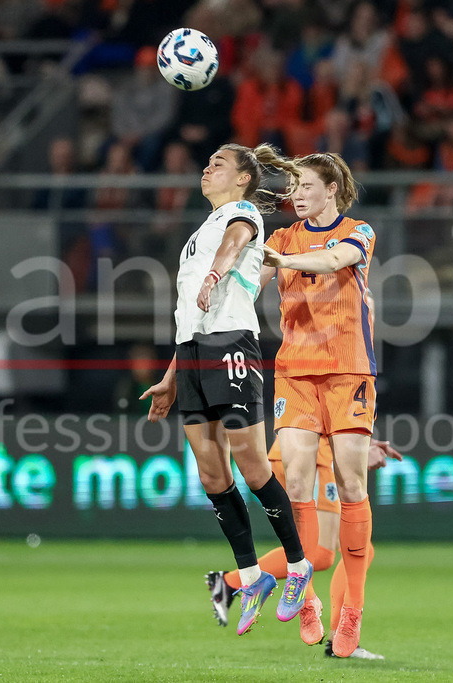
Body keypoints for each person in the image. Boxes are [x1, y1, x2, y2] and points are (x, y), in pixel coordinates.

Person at [140, 143, 313, 637]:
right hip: (193, 351)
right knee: (211, 474)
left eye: (218, 162)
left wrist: (217, 272)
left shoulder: (239, 214)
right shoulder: (198, 232)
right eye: (208, 160)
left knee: (251, 462)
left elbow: (236, 241)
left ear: (242, 180)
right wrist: (172, 379)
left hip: (231, 343)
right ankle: (254, 575)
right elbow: (189, 313)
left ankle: (298, 567)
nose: (207, 166)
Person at [259, 151, 377, 658]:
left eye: (306, 185)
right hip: (295, 373)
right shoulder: (278, 238)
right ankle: (305, 599)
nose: (298, 194)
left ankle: (352, 611)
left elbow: (333, 260)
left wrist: (280, 263)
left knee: (351, 481)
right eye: (294, 187)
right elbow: (253, 284)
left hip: (349, 370)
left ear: (332, 189)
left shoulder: (359, 231)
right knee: (298, 483)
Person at [206, 435, 401, 660]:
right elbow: (327, 410)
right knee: (324, 553)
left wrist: (363, 442)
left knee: (359, 548)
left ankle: (339, 638)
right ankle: (229, 582)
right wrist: (357, 450)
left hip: (303, 451)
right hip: (312, 456)